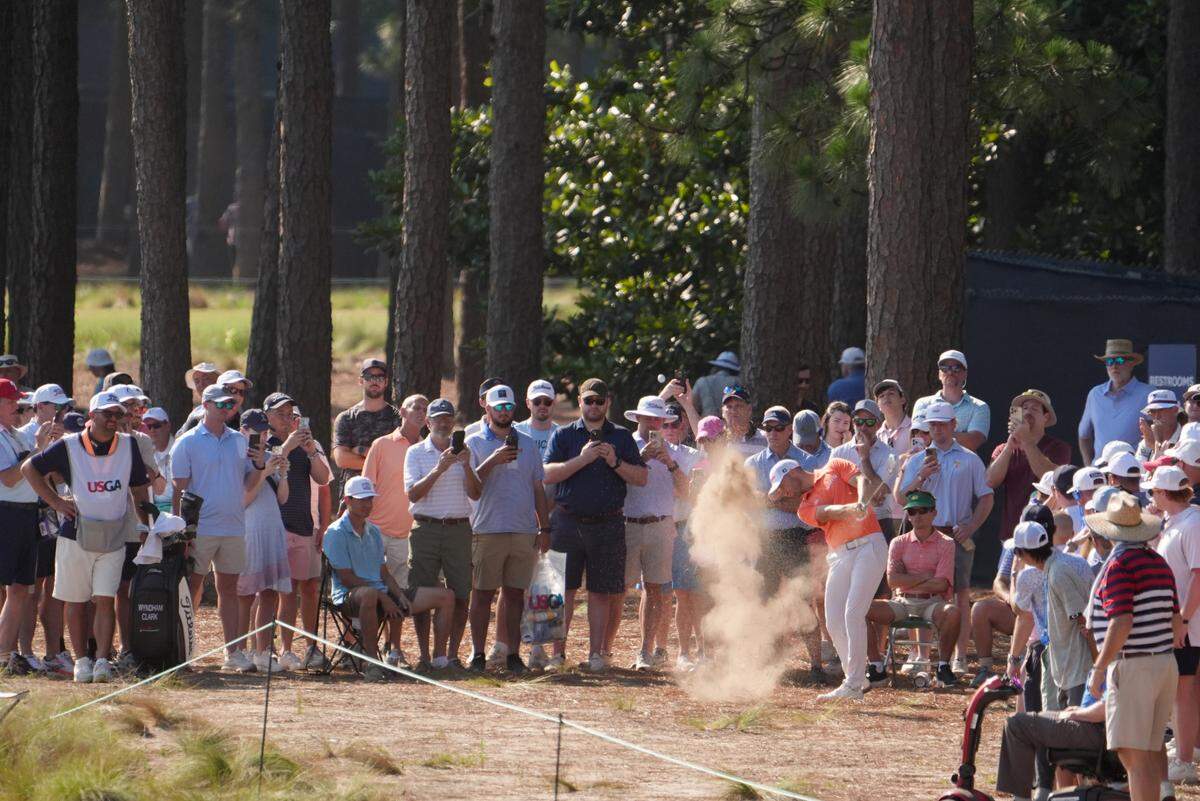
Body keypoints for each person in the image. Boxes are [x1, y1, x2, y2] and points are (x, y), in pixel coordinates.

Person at [22, 391, 151, 683]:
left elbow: (140, 490)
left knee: (105, 599)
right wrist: (56, 502)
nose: (114, 419)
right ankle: (82, 660)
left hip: (115, 534)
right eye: (108, 414)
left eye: (118, 414)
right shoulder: (69, 445)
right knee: (76, 601)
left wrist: (147, 526)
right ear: (91, 416)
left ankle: (103, 660)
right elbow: (29, 468)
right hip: (75, 533)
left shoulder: (129, 445)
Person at [543, 378, 647, 672]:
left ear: (607, 403)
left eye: (599, 401)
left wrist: (615, 462)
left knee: (602, 592)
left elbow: (641, 477)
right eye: (588, 401)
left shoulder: (622, 437)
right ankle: (556, 655)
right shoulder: (563, 435)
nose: (593, 406)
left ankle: (596, 654)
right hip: (566, 520)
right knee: (559, 591)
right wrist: (583, 459)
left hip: (608, 523)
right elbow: (547, 473)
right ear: (579, 402)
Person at [170, 383, 272, 672]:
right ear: (206, 405)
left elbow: (250, 483)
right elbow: (179, 491)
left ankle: (234, 653)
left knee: (230, 590)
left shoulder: (240, 441)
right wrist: (182, 531)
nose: (228, 408)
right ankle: (184, 650)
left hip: (233, 527)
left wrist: (261, 464)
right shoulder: (187, 442)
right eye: (222, 404)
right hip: (200, 528)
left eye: (231, 404)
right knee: (191, 587)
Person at [1086, 490, 1179, 801]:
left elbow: (1121, 621)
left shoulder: (1119, 566)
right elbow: (1176, 621)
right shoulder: (1159, 563)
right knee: (1148, 757)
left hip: (1135, 665)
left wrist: (1099, 669)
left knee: (1134, 760)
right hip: (1163, 663)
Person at [324, 476, 456, 680]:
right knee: (368, 595)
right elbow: (347, 578)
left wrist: (397, 595)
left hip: (379, 591)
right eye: (361, 500)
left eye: (370, 499)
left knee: (446, 596)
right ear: (348, 500)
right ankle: (371, 663)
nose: (367, 504)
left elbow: (383, 573)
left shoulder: (374, 531)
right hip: (349, 596)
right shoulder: (335, 532)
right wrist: (383, 597)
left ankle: (439, 661)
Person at [781, 456, 887, 700]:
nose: (783, 492)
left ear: (792, 472)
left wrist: (861, 500)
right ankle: (857, 680)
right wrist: (851, 509)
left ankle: (853, 683)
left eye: (782, 485)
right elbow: (827, 512)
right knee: (833, 620)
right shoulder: (803, 508)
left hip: (868, 545)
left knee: (853, 613)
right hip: (839, 554)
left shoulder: (834, 465)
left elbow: (860, 479)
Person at [899, 400, 994, 672]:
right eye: (933, 425)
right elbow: (900, 497)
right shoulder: (918, 459)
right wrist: (920, 477)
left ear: (954, 425)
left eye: (943, 424)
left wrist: (972, 526)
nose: (938, 430)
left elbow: (986, 498)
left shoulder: (969, 458)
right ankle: (921, 656)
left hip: (955, 532)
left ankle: (959, 656)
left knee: (960, 594)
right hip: (923, 531)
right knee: (921, 592)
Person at [466, 385, 550, 673]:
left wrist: (545, 526)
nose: (503, 411)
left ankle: (513, 655)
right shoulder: (474, 442)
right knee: (482, 593)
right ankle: (477, 653)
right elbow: (472, 489)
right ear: (486, 408)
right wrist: (494, 459)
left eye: (508, 407)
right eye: (497, 406)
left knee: (515, 594)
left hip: (523, 529)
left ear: (514, 409)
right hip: (488, 529)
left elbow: (538, 487)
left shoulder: (527, 443)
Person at [404, 398, 480, 667]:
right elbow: (413, 493)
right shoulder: (415, 453)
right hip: (425, 528)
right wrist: (439, 468)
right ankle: (425, 656)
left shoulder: (465, 452)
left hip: (459, 529)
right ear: (428, 422)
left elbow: (476, 492)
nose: (443, 422)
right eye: (437, 418)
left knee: (460, 594)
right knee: (423, 593)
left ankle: (450, 656)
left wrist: (467, 465)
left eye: (448, 418)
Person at [262, 392, 333, 670]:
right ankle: (283, 649)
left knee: (311, 587)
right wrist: (289, 445)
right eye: (280, 413)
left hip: (304, 524)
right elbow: (268, 466)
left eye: (290, 414)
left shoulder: (304, 445)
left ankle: (311, 648)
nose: (287, 418)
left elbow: (322, 478)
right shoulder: (265, 442)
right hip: (275, 526)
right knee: (284, 590)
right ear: (267, 416)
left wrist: (311, 449)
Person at [619, 395, 688, 671]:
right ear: (638, 419)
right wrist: (640, 458)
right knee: (616, 589)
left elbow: (686, 492)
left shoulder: (675, 451)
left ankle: (645, 651)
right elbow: (614, 481)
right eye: (649, 418)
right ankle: (603, 650)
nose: (654, 423)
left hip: (661, 524)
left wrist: (670, 462)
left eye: (659, 419)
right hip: (628, 524)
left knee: (656, 590)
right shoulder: (625, 446)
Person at [864, 490, 959, 687]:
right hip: (902, 602)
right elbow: (892, 581)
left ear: (934, 512)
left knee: (953, 613)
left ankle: (943, 667)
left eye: (922, 510)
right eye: (912, 512)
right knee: (860, 609)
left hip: (932, 602)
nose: (917, 516)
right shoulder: (898, 542)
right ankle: (876, 666)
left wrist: (907, 579)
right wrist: (924, 577)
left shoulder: (947, 543)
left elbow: (941, 584)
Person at [361, 393, 428, 666]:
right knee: (370, 591)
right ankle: (363, 650)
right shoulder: (381, 445)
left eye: (425, 408)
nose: (420, 412)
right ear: (402, 410)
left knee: (398, 593)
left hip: (408, 534)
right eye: (415, 407)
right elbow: (365, 487)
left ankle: (394, 649)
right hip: (376, 531)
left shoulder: (428, 449)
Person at [1147, 465, 1200, 783]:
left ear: (1165, 493)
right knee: (1186, 689)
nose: (1150, 496)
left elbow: (1198, 576)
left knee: (1182, 691)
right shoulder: (1174, 522)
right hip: (1183, 623)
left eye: (1153, 491)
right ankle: (1188, 749)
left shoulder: (1192, 524)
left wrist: (1183, 620)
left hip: (1188, 625)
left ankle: (1183, 760)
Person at [1014, 519, 1094, 708]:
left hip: (1077, 668)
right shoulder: (1056, 568)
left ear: (1023, 553)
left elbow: (1081, 618)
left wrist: (1098, 665)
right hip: (1066, 666)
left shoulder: (1058, 573)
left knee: (1079, 730)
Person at [235, 410, 291, 674]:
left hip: (272, 527)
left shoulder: (270, 456)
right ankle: (239, 650)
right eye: (257, 431)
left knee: (269, 593)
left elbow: (283, 498)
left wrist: (283, 473)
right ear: (244, 431)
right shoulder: (237, 458)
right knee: (244, 594)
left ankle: (263, 651)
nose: (262, 436)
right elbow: (245, 497)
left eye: (265, 431)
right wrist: (264, 471)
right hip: (250, 530)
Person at [986, 389, 1071, 544]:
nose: (1027, 413)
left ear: (1045, 417)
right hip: (1012, 534)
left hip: (1046, 534)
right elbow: (990, 481)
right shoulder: (1004, 448)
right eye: (1024, 408)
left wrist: (1026, 441)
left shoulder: (1059, 447)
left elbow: (1051, 477)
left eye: (1034, 409)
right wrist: (1009, 446)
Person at [995, 684, 1108, 801]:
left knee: (1016, 723)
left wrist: (1077, 714)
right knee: (1037, 725)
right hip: (1091, 723)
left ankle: (1024, 798)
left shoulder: (1121, 667)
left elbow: (1110, 706)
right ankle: (1042, 794)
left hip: (1097, 728)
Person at [0, 379, 43, 676]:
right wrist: (37, 450)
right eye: (11, 400)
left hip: (26, 514)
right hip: (6, 514)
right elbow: (10, 478)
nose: (17, 406)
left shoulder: (16, 435)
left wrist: (45, 447)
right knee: (10, 587)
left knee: (20, 589)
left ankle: (4, 656)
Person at [658, 400, 704, 670]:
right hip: (660, 524)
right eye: (664, 424)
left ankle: (693, 651)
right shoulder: (649, 452)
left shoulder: (693, 455)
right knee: (662, 593)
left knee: (689, 593)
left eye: (675, 423)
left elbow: (688, 492)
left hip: (686, 527)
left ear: (684, 424)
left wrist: (672, 468)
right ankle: (659, 649)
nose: (670, 428)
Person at [831, 399, 899, 539]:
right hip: (846, 521)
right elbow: (832, 490)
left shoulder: (890, 454)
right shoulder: (838, 453)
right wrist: (868, 495)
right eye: (858, 422)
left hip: (879, 522)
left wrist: (865, 458)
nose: (862, 427)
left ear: (878, 425)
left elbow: (880, 490)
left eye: (869, 422)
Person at [1078, 339, 1151, 465]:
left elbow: (1160, 433)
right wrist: (1088, 467)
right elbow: (1084, 435)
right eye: (1109, 361)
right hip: (1100, 474)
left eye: (1120, 360)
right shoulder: (1095, 394)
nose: (1114, 366)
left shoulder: (1148, 394)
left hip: (1133, 473)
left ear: (1131, 364)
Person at [332, 359, 400, 486]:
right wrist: (381, 463)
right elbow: (341, 459)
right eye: (369, 377)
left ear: (386, 382)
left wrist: (361, 450)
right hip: (354, 493)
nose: (374, 381)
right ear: (361, 381)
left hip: (388, 490)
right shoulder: (346, 418)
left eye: (379, 377)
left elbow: (400, 457)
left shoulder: (397, 417)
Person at [911, 350, 990, 451]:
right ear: (939, 374)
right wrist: (956, 435)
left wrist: (931, 433)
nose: (950, 372)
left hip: (963, 465)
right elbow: (918, 441)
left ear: (965, 374)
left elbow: (972, 442)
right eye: (944, 368)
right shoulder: (922, 403)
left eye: (956, 368)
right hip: (928, 463)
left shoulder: (979, 407)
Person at [969, 534, 1017, 687]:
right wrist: (1009, 598)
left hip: (1048, 617)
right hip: (1019, 611)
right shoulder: (1013, 547)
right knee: (980, 609)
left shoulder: (1061, 551)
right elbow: (999, 582)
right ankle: (985, 669)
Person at [177, 369, 251, 435]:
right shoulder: (196, 419)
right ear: (219, 390)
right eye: (232, 390)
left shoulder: (247, 421)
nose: (238, 396)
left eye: (242, 392)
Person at [514, 379, 559, 458]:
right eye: (537, 401)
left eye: (547, 402)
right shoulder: (515, 432)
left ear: (554, 402)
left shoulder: (562, 434)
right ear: (528, 403)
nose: (542, 406)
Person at [720, 385, 767, 456]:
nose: (733, 411)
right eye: (729, 407)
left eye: (738, 406)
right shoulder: (715, 440)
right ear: (723, 412)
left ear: (749, 409)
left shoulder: (766, 439)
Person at [691, 350, 740, 419]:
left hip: (706, 425)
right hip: (730, 425)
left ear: (716, 367)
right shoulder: (737, 382)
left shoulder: (701, 381)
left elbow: (693, 407)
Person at [143, 407, 175, 512]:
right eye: (148, 426)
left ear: (168, 426)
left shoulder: (180, 448)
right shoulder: (144, 453)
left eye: (156, 425)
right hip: (153, 511)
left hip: (177, 508)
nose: (152, 430)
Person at [1137, 389, 1182, 462]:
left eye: (1161, 410)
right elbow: (1140, 471)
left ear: (1175, 410)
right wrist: (1155, 444)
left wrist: (1155, 446)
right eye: (1152, 411)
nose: (1157, 416)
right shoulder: (1146, 442)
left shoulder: (1185, 438)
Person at [874, 379, 911, 456]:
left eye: (891, 393)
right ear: (878, 406)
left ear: (902, 399)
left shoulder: (916, 429)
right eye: (881, 396)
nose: (886, 397)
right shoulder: (876, 437)